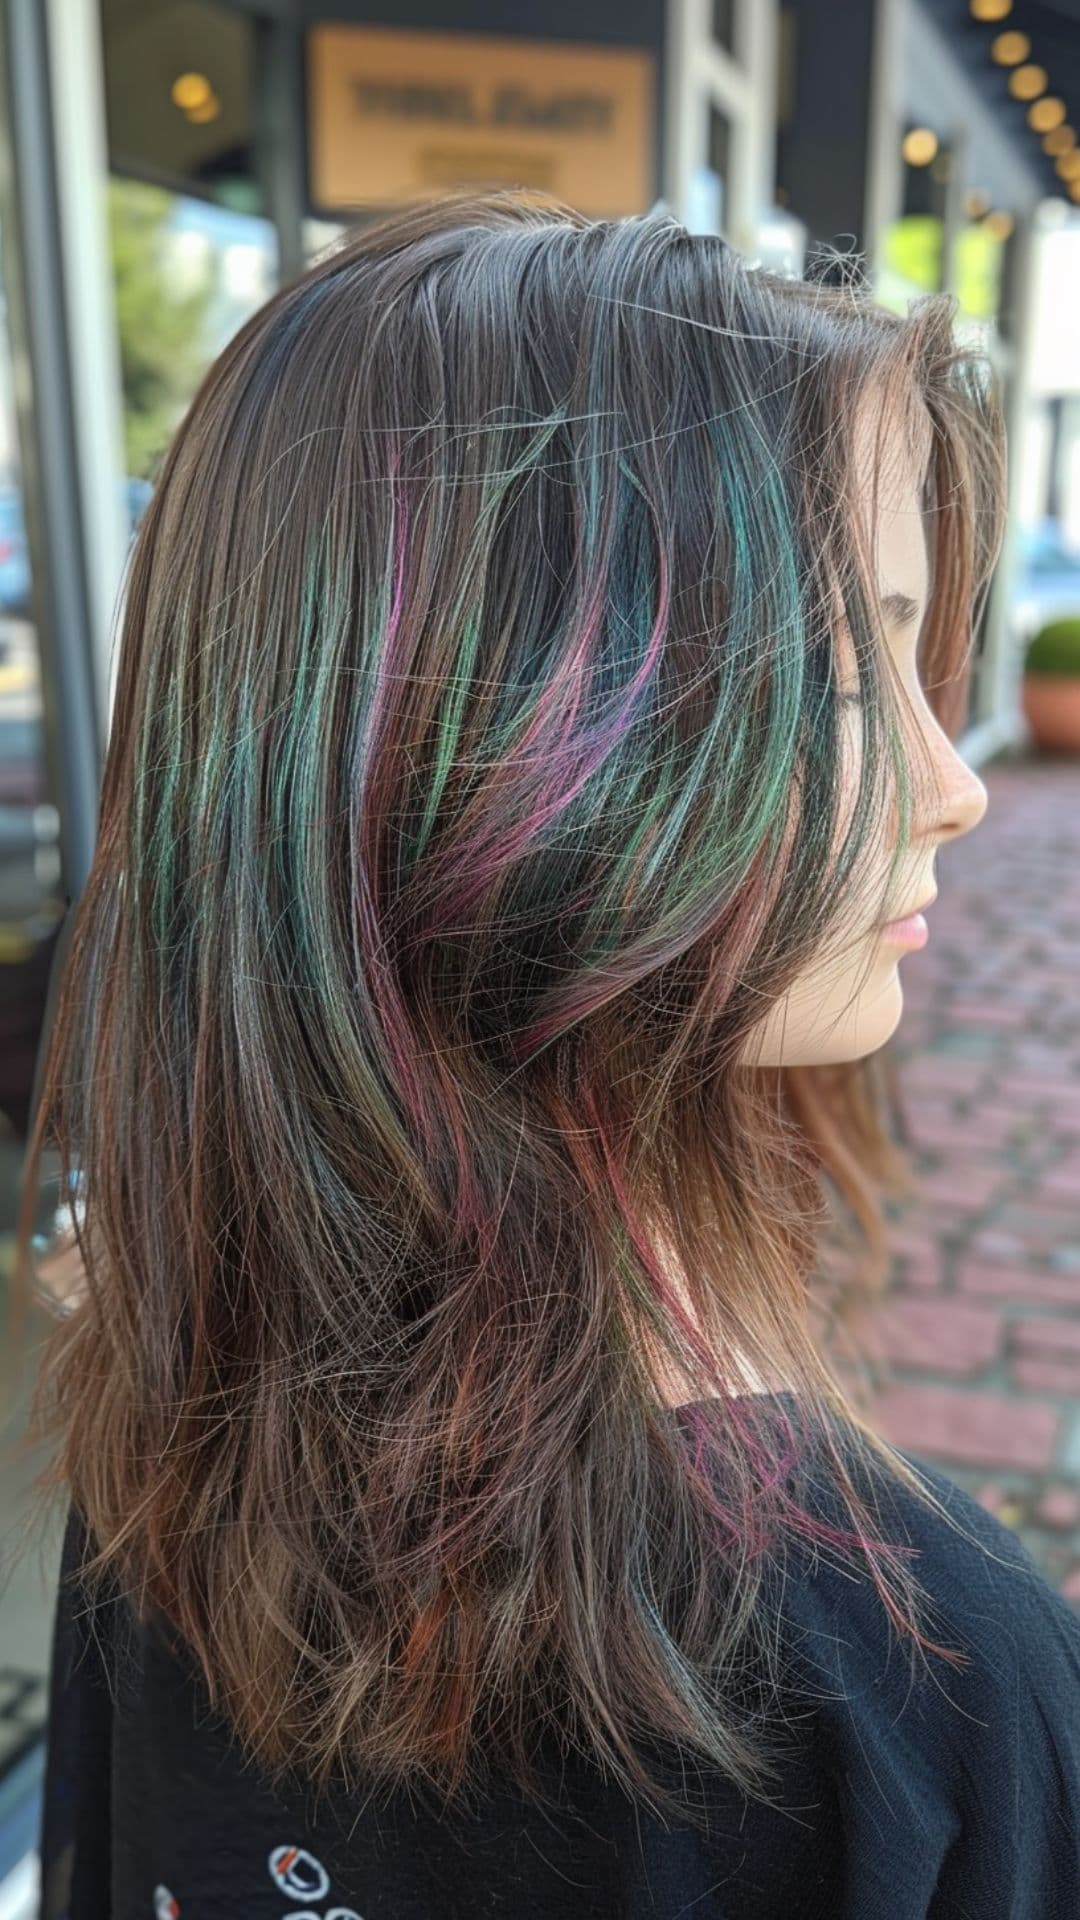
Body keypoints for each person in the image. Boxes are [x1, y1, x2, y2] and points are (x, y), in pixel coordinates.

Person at [12, 186, 1080, 1918]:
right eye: (832, 671)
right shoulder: (927, 1678)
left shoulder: (164, 1463)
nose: (951, 782)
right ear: (509, 765)